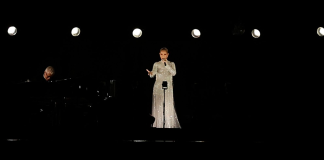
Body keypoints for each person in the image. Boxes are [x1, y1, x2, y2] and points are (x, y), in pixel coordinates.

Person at [146, 47, 181, 128]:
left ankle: (168, 126)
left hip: (168, 87)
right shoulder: (156, 64)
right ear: (159, 55)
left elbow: (174, 73)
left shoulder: (172, 63)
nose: (163, 56)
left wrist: (167, 65)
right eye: (161, 54)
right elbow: (153, 74)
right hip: (158, 86)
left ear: (168, 55)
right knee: (159, 105)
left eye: (165, 54)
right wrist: (150, 73)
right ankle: (158, 125)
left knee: (167, 105)